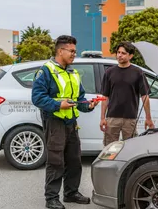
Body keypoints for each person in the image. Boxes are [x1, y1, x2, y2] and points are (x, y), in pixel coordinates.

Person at [32, 35, 99, 209]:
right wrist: (57, 105)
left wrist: (89, 105)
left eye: (75, 51)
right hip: (55, 122)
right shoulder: (46, 71)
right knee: (55, 161)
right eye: (71, 51)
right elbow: (37, 98)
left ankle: (71, 193)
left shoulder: (73, 72)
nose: (74, 54)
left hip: (71, 122)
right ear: (60, 51)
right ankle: (51, 198)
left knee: (74, 160)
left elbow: (79, 99)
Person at [100, 41, 155, 146]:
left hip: (130, 119)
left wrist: (148, 118)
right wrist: (102, 118)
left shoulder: (138, 72)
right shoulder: (109, 72)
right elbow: (105, 97)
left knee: (131, 148)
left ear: (130, 56)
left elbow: (145, 96)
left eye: (123, 53)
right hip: (112, 118)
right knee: (109, 149)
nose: (119, 55)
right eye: (118, 52)